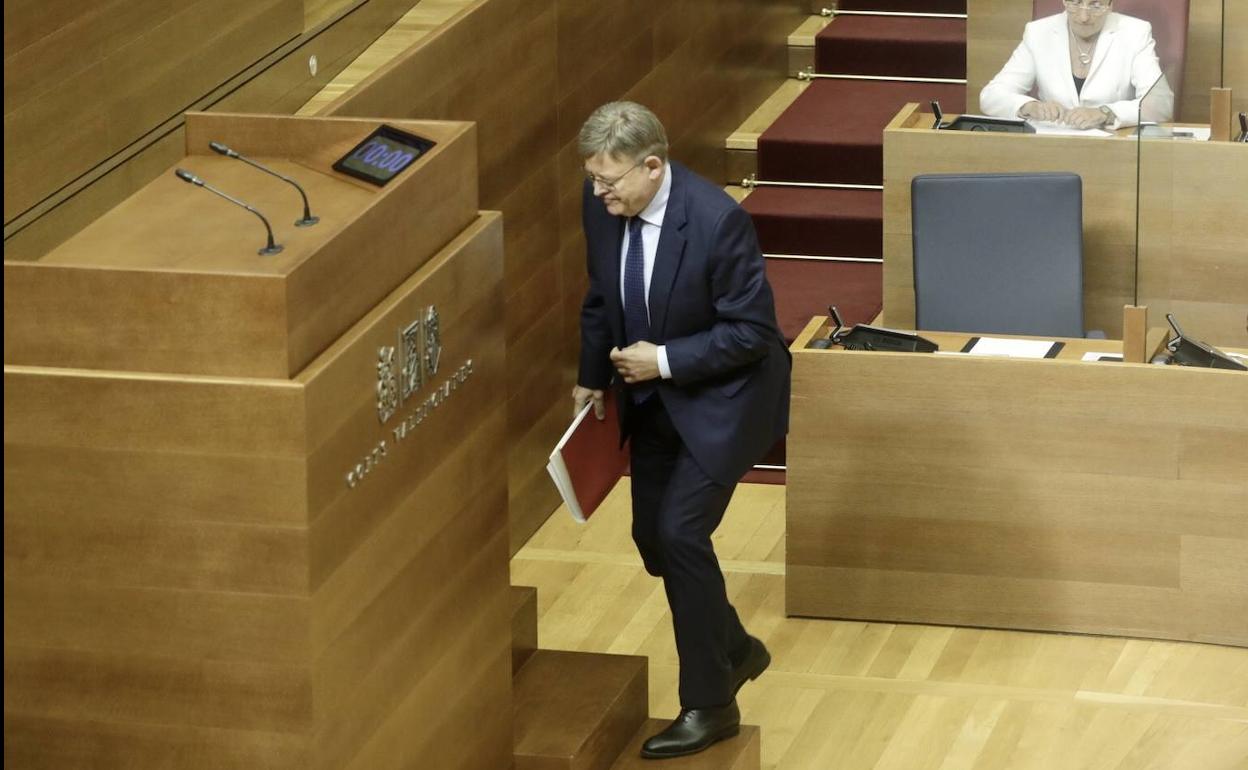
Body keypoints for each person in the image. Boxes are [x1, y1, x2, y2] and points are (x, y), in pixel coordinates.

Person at [572, 101, 790, 759]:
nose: (598, 193)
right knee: (651, 537)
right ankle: (734, 647)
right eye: (593, 180)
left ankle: (711, 704)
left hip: (725, 400)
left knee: (680, 532)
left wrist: (662, 360)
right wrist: (590, 376)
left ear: (653, 166)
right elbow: (601, 295)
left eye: (610, 182)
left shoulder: (718, 220)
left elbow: (752, 333)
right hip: (651, 397)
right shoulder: (604, 206)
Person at [980, 0, 1172, 129]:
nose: (1083, 17)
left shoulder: (1135, 32)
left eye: (1095, 5)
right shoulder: (1038, 32)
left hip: (1112, 148)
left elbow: (1160, 103)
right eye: (1076, 2)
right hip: (1050, 147)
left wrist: (1106, 113)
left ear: (1110, 4)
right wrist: (1028, 106)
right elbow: (990, 96)